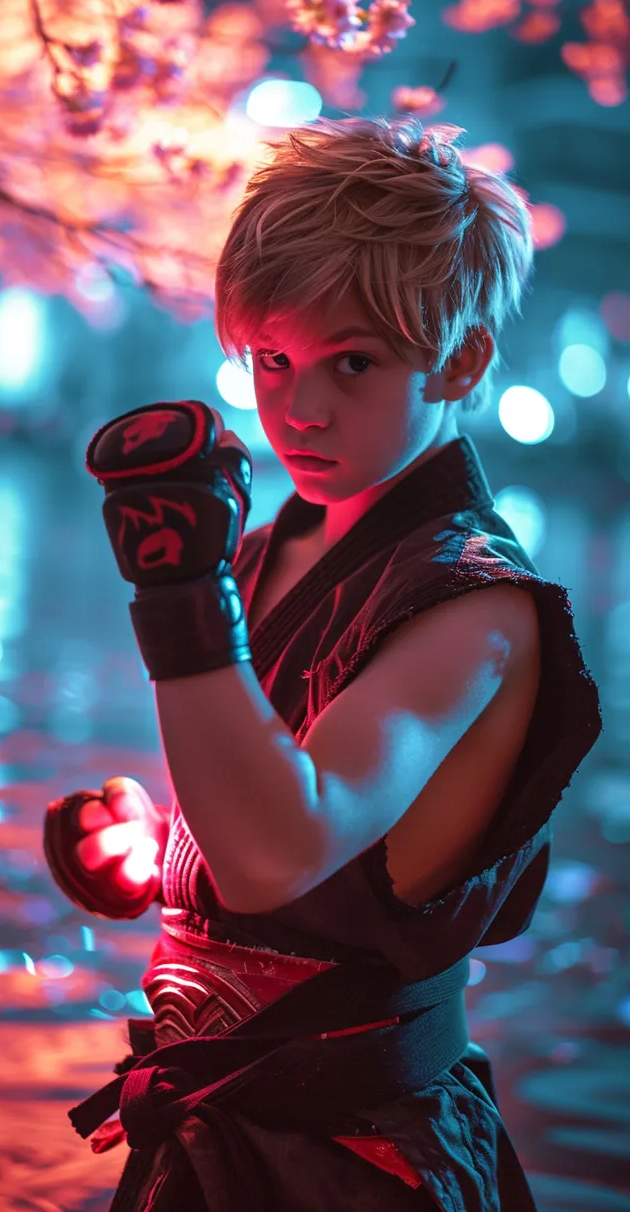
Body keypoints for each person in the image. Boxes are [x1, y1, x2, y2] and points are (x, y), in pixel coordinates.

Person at [43, 116, 602, 1212]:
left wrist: (181, 603)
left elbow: (283, 850)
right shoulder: (272, 543)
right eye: (272, 360)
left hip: (359, 1160)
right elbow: (250, 852)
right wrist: (151, 850)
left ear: (460, 357)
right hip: (207, 1115)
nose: (299, 408)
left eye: (353, 360)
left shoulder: (475, 601)